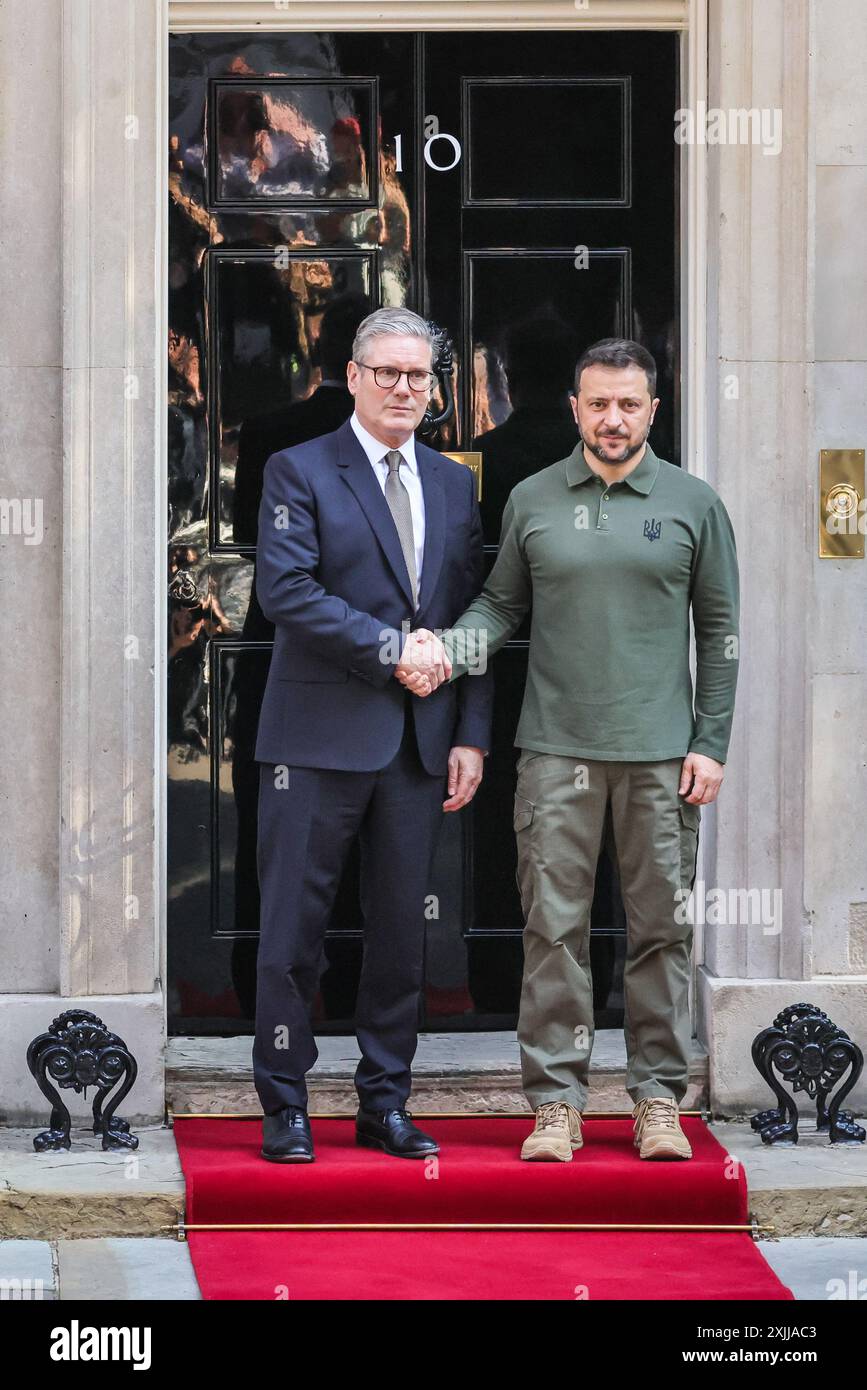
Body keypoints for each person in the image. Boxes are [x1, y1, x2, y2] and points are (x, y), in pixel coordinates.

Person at [402, 338, 739, 1162]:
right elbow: (499, 607)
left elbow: (720, 631)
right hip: (554, 754)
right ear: (574, 407)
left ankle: (657, 1098)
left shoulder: (694, 504)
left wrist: (710, 743)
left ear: (652, 411)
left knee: (659, 932)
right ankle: (557, 1102)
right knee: (552, 933)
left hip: (661, 757)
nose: (613, 419)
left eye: (628, 404)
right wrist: (447, 647)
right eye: (598, 403)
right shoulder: (532, 499)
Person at [253, 306, 492, 1162]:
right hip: (315, 741)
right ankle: (283, 1106)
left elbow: (473, 613)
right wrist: (393, 650)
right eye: (385, 371)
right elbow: (287, 593)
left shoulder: (454, 483)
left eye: (417, 375)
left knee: (401, 934)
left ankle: (384, 1101)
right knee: (291, 935)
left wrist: (471, 731)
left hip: (420, 746)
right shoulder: (298, 469)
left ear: (433, 389)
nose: (401, 387)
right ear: (351, 376)